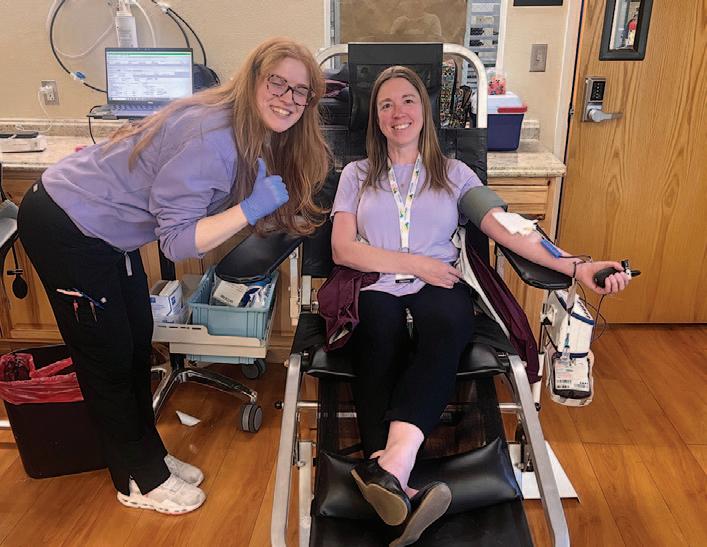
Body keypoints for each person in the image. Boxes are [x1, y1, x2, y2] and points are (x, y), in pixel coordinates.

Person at [17, 37, 329, 515]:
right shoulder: (213, 139)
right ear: (252, 80)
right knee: (107, 359)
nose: (288, 98)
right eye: (277, 83)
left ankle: (148, 456)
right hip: (67, 225)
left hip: (107, 233)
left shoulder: (248, 127)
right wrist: (249, 209)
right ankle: (136, 480)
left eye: (300, 91)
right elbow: (177, 244)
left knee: (134, 344)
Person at [330, 66, 630, 545]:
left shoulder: (454, 173)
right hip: (376, 280)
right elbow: (344, 249)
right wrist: (415, 263)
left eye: (407, 101)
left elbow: (510, 229)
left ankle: (389, 469)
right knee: (377, 329)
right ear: (376, 118)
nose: (397, 112)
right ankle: (396, 481)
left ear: (425, 111)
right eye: (385, 104)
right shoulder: (357, 174)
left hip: (440, 283)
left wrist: (577, 265)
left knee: (449, 323)